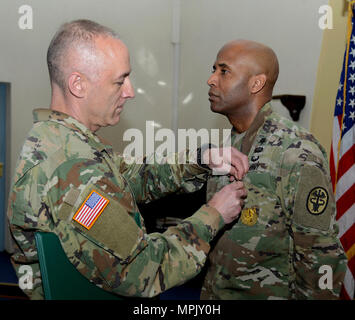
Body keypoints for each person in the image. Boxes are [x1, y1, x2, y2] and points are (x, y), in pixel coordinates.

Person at [7, 20, 249, 300]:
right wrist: (214, 215)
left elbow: (131, 175)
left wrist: (201, 159)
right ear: (78, 84)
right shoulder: (72, 169)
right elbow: (140, 270)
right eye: (120, 80)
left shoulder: (63, 140)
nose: (130, 91)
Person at [201, 39, 347, 299]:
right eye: (213, 69)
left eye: (223, 71)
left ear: (256, 83)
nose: (211, 79)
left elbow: (321, 253)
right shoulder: (230, 143)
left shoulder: (295, 150)